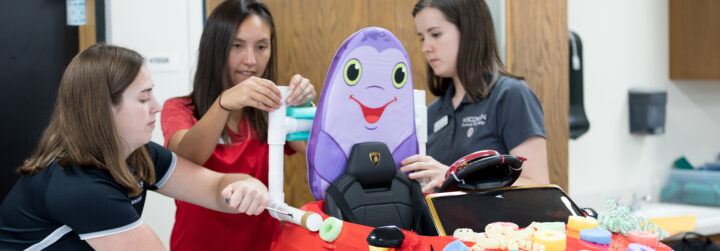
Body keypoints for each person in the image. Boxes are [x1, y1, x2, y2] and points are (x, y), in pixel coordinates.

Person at [0, 44, 269, 250]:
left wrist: (248, 185)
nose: (157, 105)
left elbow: (213, 188)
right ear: (103, 111)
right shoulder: (79, 185)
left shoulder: (138, 154)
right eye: (143, 99)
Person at [160, 0, 315, 250]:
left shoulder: (272, 113)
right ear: (215, 48)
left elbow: (321, 155)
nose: (251, 60)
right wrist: (223, 104)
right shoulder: (180, 108)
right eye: (237, 46)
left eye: (262, 47)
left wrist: (306, 108)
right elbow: (188, 158)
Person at [400, 0, 550, 192]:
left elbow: (537, 185)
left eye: (435, 34)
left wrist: (455, 178)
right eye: (422, 38)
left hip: (496, 222)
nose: (425, 48)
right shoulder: (433, 112)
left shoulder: (510, 95)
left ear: (469, 32)